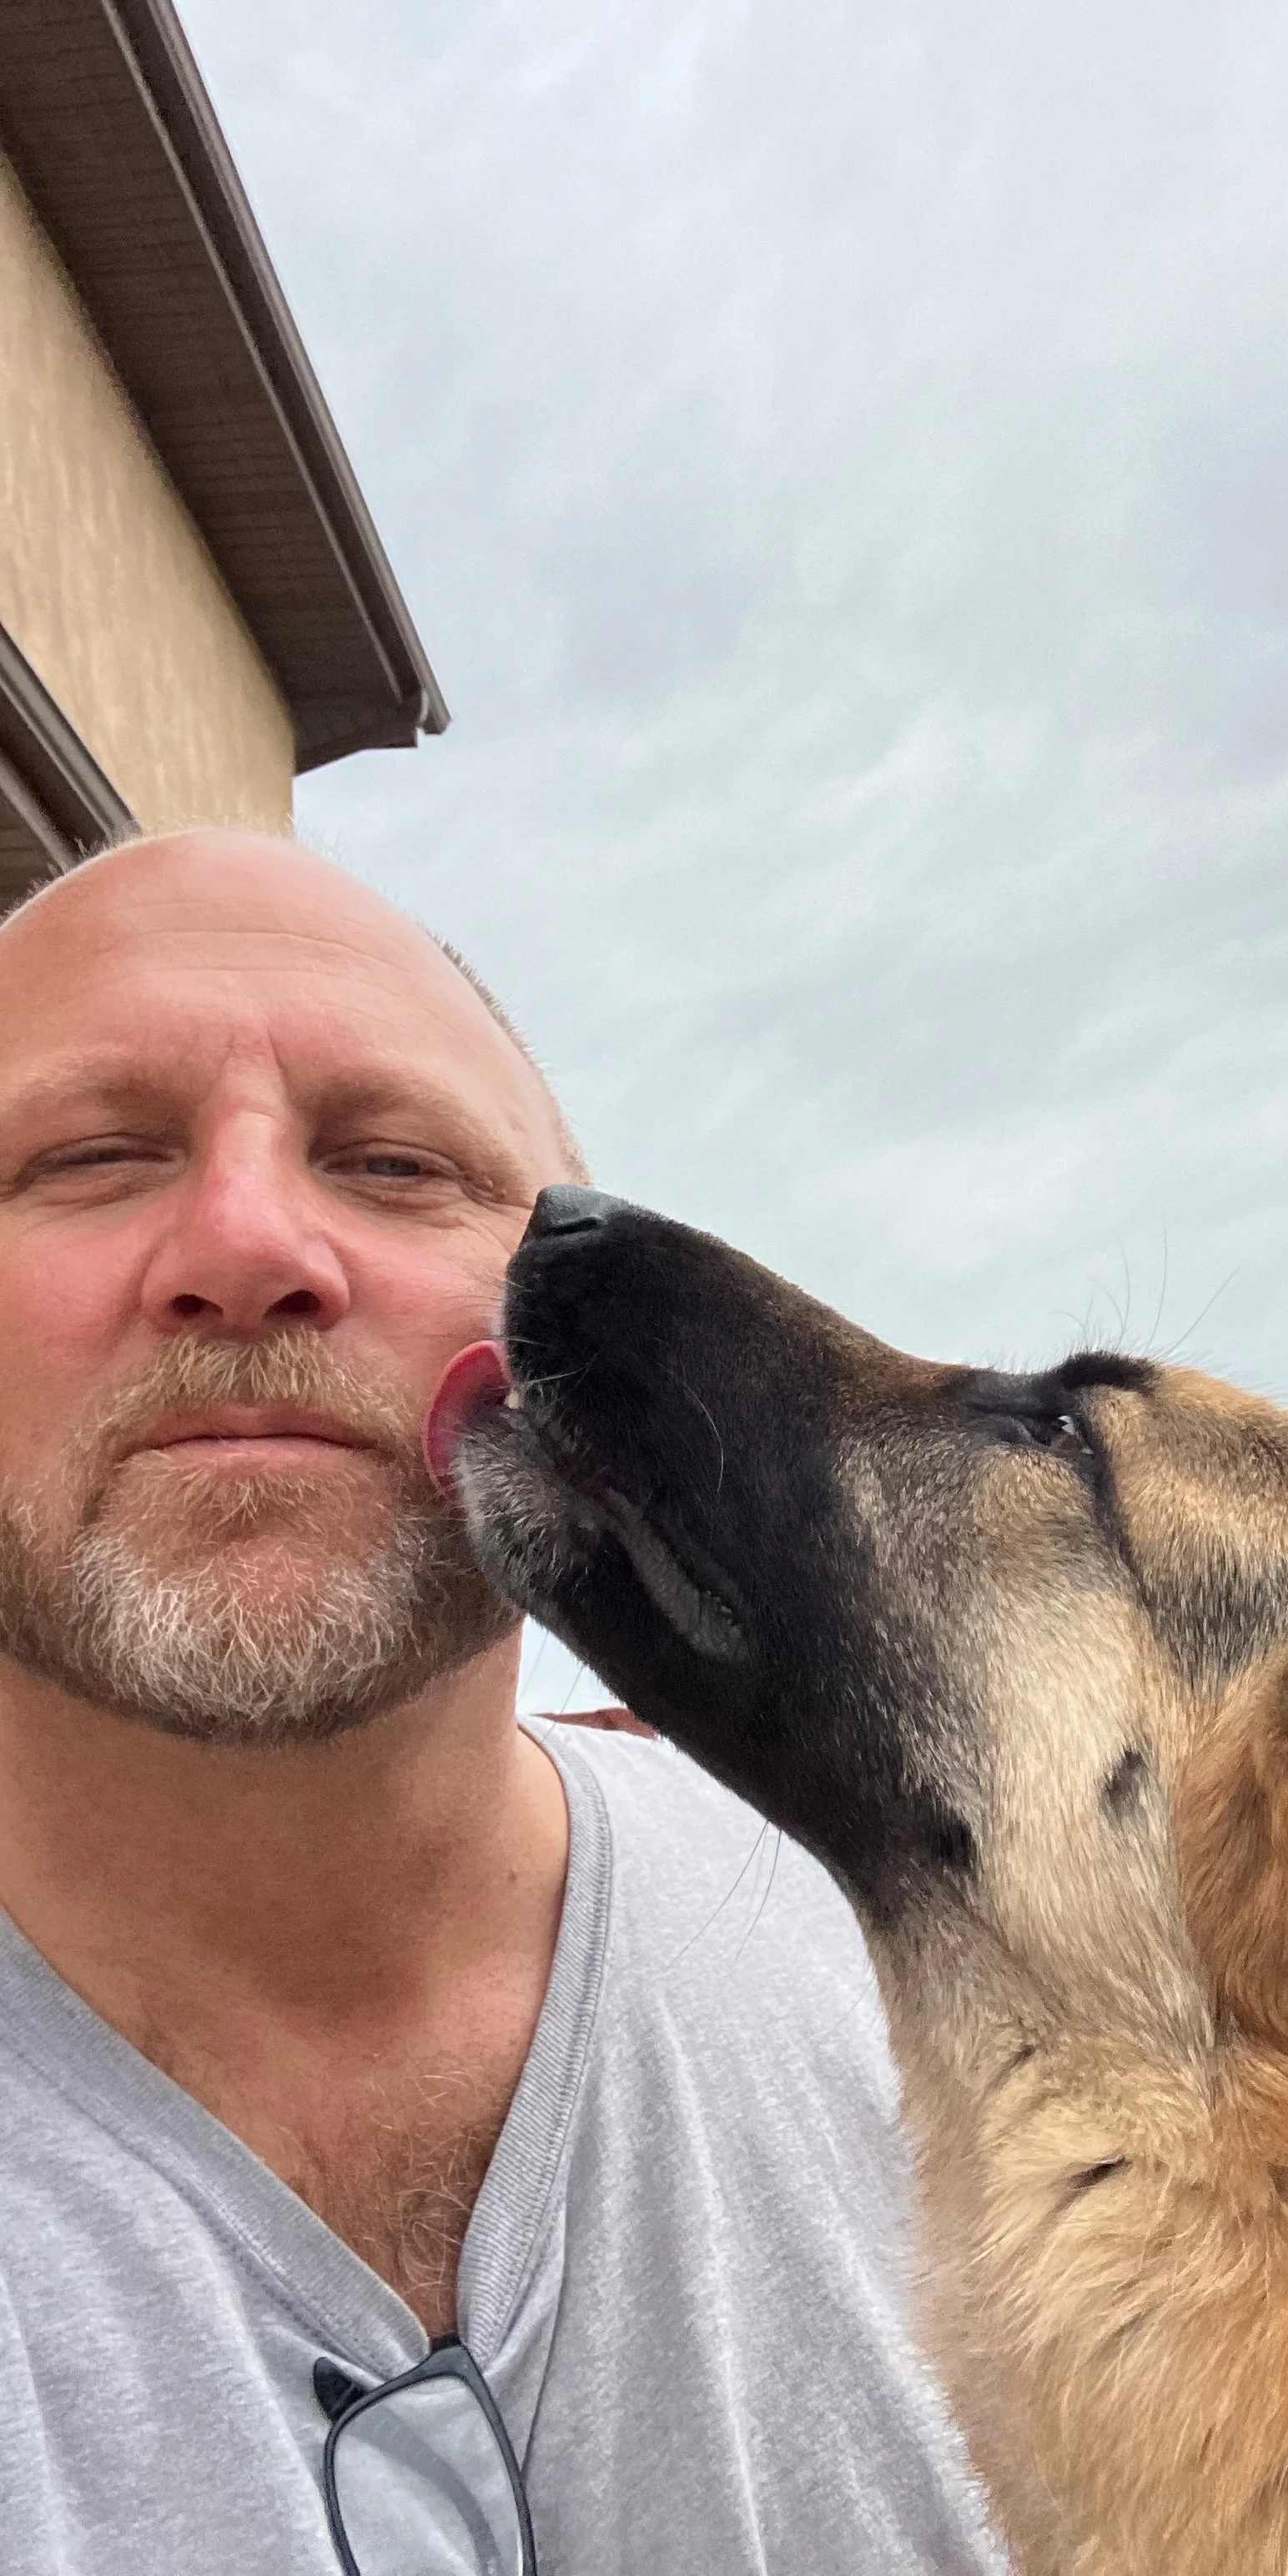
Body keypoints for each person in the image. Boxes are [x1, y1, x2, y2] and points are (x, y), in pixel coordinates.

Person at [0, 831, 1002, 2573]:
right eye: (88, 1156)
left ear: (572, 1333)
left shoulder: (959, 2001)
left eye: (395, 1164)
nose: (246, 1243)